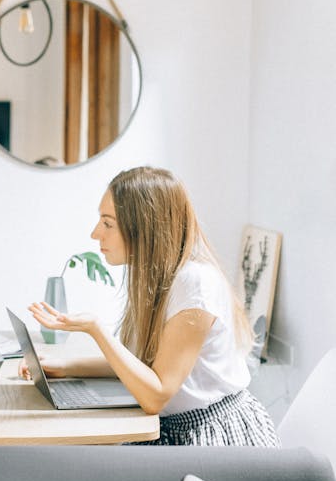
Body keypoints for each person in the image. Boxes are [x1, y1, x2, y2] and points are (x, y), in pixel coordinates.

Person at [27, 165, 279, 446]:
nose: (95, 233)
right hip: (173, 428)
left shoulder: (194, 285)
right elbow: (141, 367)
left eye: (108, 223)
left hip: (210, 436)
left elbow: (155, 396)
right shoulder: (155, 276)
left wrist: (95, 329)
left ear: (145, 228)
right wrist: (65, 366)